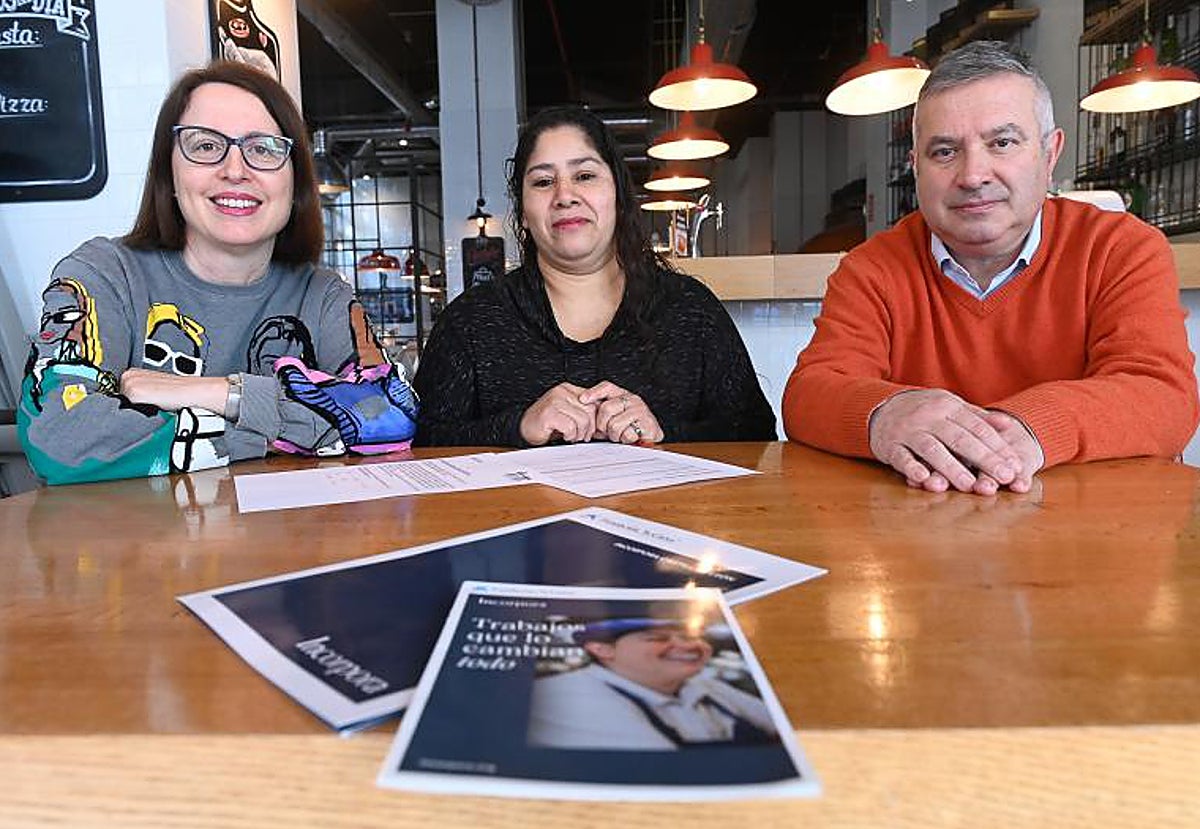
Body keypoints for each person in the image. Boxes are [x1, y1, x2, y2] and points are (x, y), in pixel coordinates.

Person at [783, 41, 1198, 495]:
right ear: (915, 167)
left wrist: (1029, 428)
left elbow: (1163, 397)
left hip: (1096, 536)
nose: (973, 175)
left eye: (1002, 143)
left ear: (1049, 153)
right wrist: (886, 412)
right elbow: (810, 395)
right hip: (920, 541)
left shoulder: (1122, 249)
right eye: (944, 151)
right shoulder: (871, 269)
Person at [18, 61, 417, 485]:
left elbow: (390, 416)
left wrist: (215, 392)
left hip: (294, 544)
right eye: (205, 146)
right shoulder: (104, 274)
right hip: (136, 546)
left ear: (295, 182)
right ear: (168, 174)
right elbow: (59, 438)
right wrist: (280, 431)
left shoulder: (322, 293)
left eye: (263, 148)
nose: (235, 169)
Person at [412, 106, 775, 447]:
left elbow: (757, 433)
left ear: (617, 194)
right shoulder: (471, 321)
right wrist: (517, 425)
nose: (564, 195)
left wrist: (664, 432)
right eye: (542, 182)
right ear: (523, 212)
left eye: (584, 176)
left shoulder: (690, 309)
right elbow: (418, 444)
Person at [526, 617, 778, 750]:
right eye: (657, 638)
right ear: (602, 649)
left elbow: (779, 728)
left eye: (691, 637)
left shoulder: (702, 686)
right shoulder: (569, 694)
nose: (690, 646)